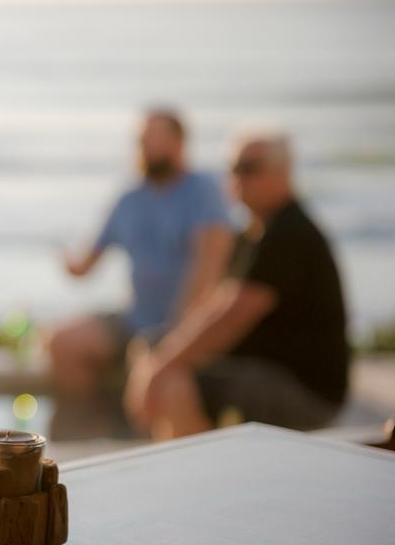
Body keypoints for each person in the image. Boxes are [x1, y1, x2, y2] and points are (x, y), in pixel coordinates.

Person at [124, 131, 349, 440]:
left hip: (305, 391)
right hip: (263, 371)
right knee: (151, 346)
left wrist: (161, 368)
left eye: (250, 167)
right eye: (233, 168)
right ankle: (187, 459)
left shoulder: (288, 232)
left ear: (282, 172)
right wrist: (160, 355)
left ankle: (199, 475)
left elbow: (231, 316)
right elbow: (213, 305)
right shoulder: (252, 233)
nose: (238, 177)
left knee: (175, 379)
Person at [46, 109, 234, 437]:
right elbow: (86, 266)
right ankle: (89, 432)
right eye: (142, 140)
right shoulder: (129, 199)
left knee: (159, 373)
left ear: (179, 142)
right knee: (62, 342)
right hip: (133, 319)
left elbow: (209, 268)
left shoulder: (204, 191)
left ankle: (153, 450)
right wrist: (66, 261)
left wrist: (174, 339)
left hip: (184, 324)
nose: (145, 147)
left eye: (154, 139)